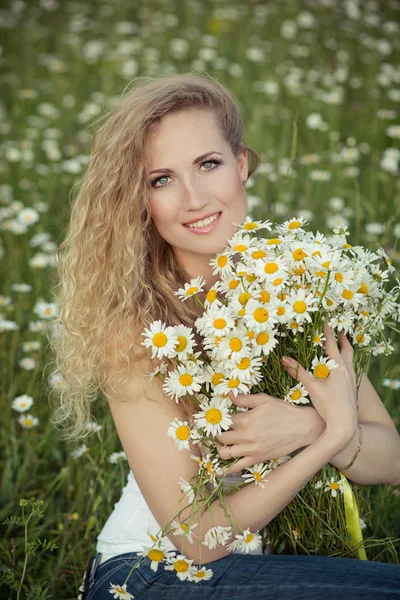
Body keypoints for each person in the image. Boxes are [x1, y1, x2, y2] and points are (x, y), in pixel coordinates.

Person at [49, 72, 400, 600]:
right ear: (140, 200)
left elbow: (391, 457)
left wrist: (306, 425)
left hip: (246, 572)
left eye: (208, 164)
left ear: (240, 164)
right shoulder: (138, 326)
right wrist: (328, 436)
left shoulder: (293, 290)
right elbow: (199, 539)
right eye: (161, 179)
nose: (193, 198)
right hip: (151, 576)